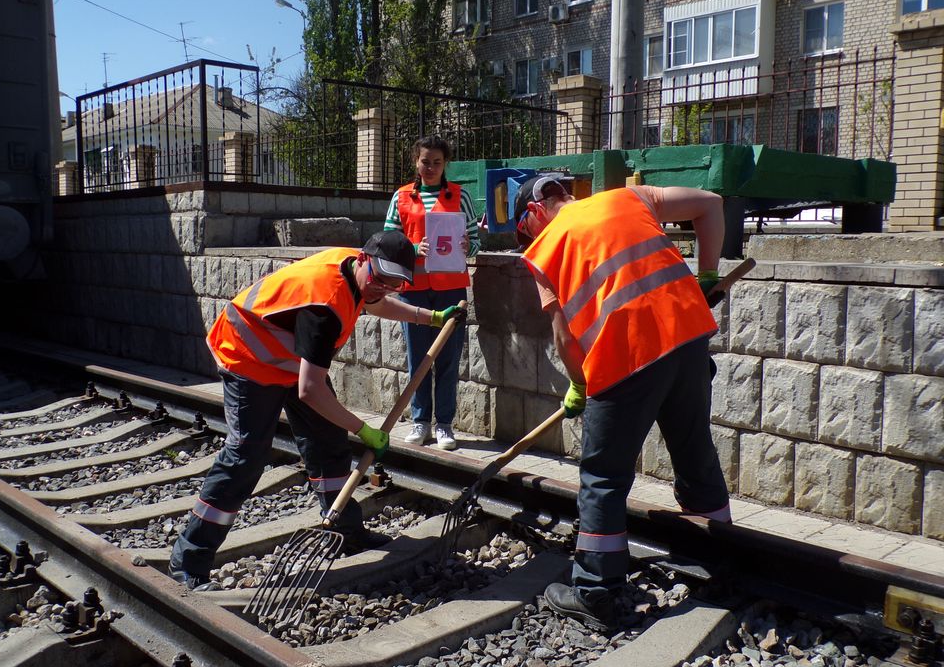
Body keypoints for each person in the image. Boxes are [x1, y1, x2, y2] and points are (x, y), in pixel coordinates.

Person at [168, 231, 465, 590]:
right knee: (246, 456)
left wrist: (429, 317)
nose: (381, 288)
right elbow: (310, 390)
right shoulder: (325, 305)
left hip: (290, 358)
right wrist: (364, 430)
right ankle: (189, 560)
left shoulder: (355, 270)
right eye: (379, 279)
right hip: (248, 356)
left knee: (327, 442)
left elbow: (371, 301)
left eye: (392, 285)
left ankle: (345, 530)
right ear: (364, 260)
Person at [513, 175, 731, 631]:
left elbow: (563, 336)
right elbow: (710, 204)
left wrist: (580, 384)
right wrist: (707, 274)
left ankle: (595, 591)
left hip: (627, 357)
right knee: (694, 450)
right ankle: (722, 563)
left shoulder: (546, 248)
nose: (528, 240)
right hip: (688, 338)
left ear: (534, 213)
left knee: (604, 475)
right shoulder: (629, 197)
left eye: (524, 231)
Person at [382, 136, 480, 450]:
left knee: (448, 359)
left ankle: (445, 426)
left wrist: (469, 245)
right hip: (414, 291)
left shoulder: (459, 195)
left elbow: (475, 238)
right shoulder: (400, 197)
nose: (431, 168)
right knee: (419, 359)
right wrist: (413, 247)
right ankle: (421, 421)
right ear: (416, 161)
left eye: (437, 162)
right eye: (426, 161)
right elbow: (387, 242)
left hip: (452, 290)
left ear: (445, 164)